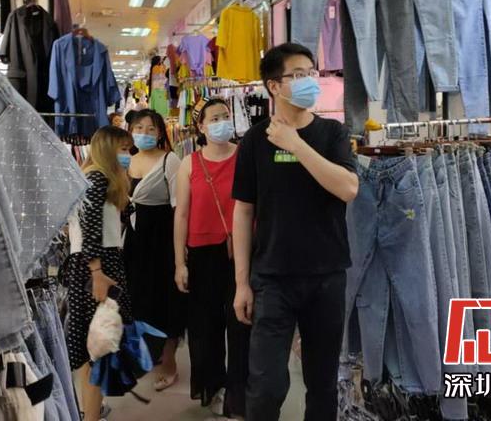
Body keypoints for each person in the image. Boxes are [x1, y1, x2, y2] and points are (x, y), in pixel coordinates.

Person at [232, 43, 359, 421]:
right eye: (298, 75)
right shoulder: (254, 140)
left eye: (311, 73)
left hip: (326, 276)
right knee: (266, 385)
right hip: (272, 278)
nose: (309, 81)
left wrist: (295, 144)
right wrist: (241, 283)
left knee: (322, 382)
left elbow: (348, 188)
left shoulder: (333, 133)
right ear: (274, 86)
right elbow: (243, 212)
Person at [174, 98, 251, 417]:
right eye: (215, 118)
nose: (222, 122)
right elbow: (181, 214)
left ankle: (239, 394)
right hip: (202, 253)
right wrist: (179, 263)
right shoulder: (189, 163)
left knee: (241, 324)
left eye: (226, 116)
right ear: (201, 126)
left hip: (242, 252)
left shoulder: (246, 156)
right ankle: (214, 386)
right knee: (206, 327)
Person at [65, 126, 134, 420]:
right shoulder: (97, 179)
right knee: (98, 347)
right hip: (97, 266)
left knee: (93, 344)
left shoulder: (93, 177)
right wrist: (97, 272)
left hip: (94, 264)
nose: (128, 155)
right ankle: (91, 414)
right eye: (123, 149)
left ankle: (90, 410)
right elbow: (90, 229)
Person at [124, 109, 185, 391]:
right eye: (139, 128)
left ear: (160, 133)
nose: (145, 133)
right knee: (138, 300)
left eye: (151, 129)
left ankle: (169, 362)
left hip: (162, 240)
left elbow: (179, 209)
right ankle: (147, 356)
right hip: (133, 241)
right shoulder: (126, 159)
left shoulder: (169, 161)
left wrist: (180, 254)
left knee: (165, 301)